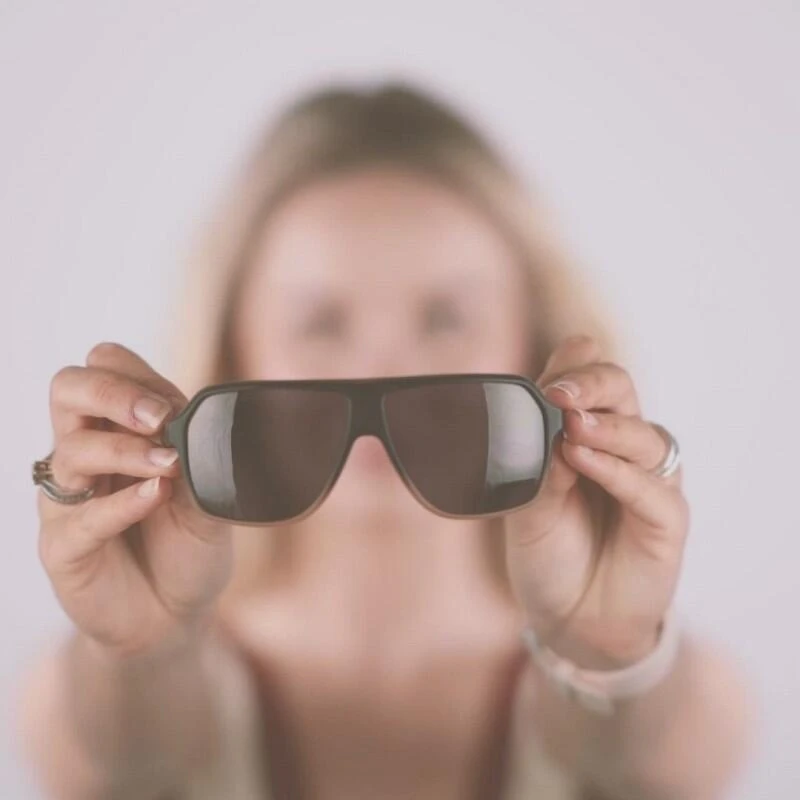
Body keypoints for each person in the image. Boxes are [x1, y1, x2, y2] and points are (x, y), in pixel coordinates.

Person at [21, 83, 752, 800]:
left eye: (444, 318)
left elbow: (650, 765)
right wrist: (144, 655)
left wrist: (611, 654)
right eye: (321, 323)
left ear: (529, 347)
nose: (382, 371)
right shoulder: (72, 707)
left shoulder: (691, 703)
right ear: (234, 355)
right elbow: (121, 763)